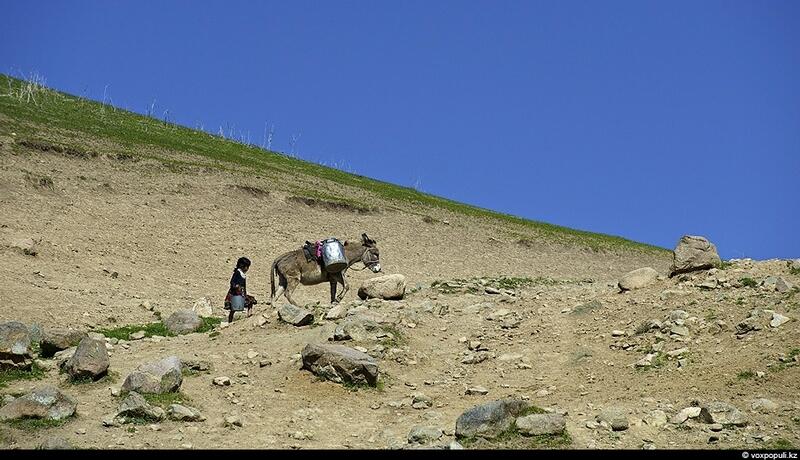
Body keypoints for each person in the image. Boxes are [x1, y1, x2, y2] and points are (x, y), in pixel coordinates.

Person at [224, 257, 256, 322]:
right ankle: (230, 321)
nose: (247, 269)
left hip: (242, 293)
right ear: (242, 266)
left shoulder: (242, 274)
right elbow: (232, 282)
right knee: (233, 308)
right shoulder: (237, 273)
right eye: (246, 267)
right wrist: (236, 286)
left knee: (250, 301)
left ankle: (249, 314)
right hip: (235, 293)